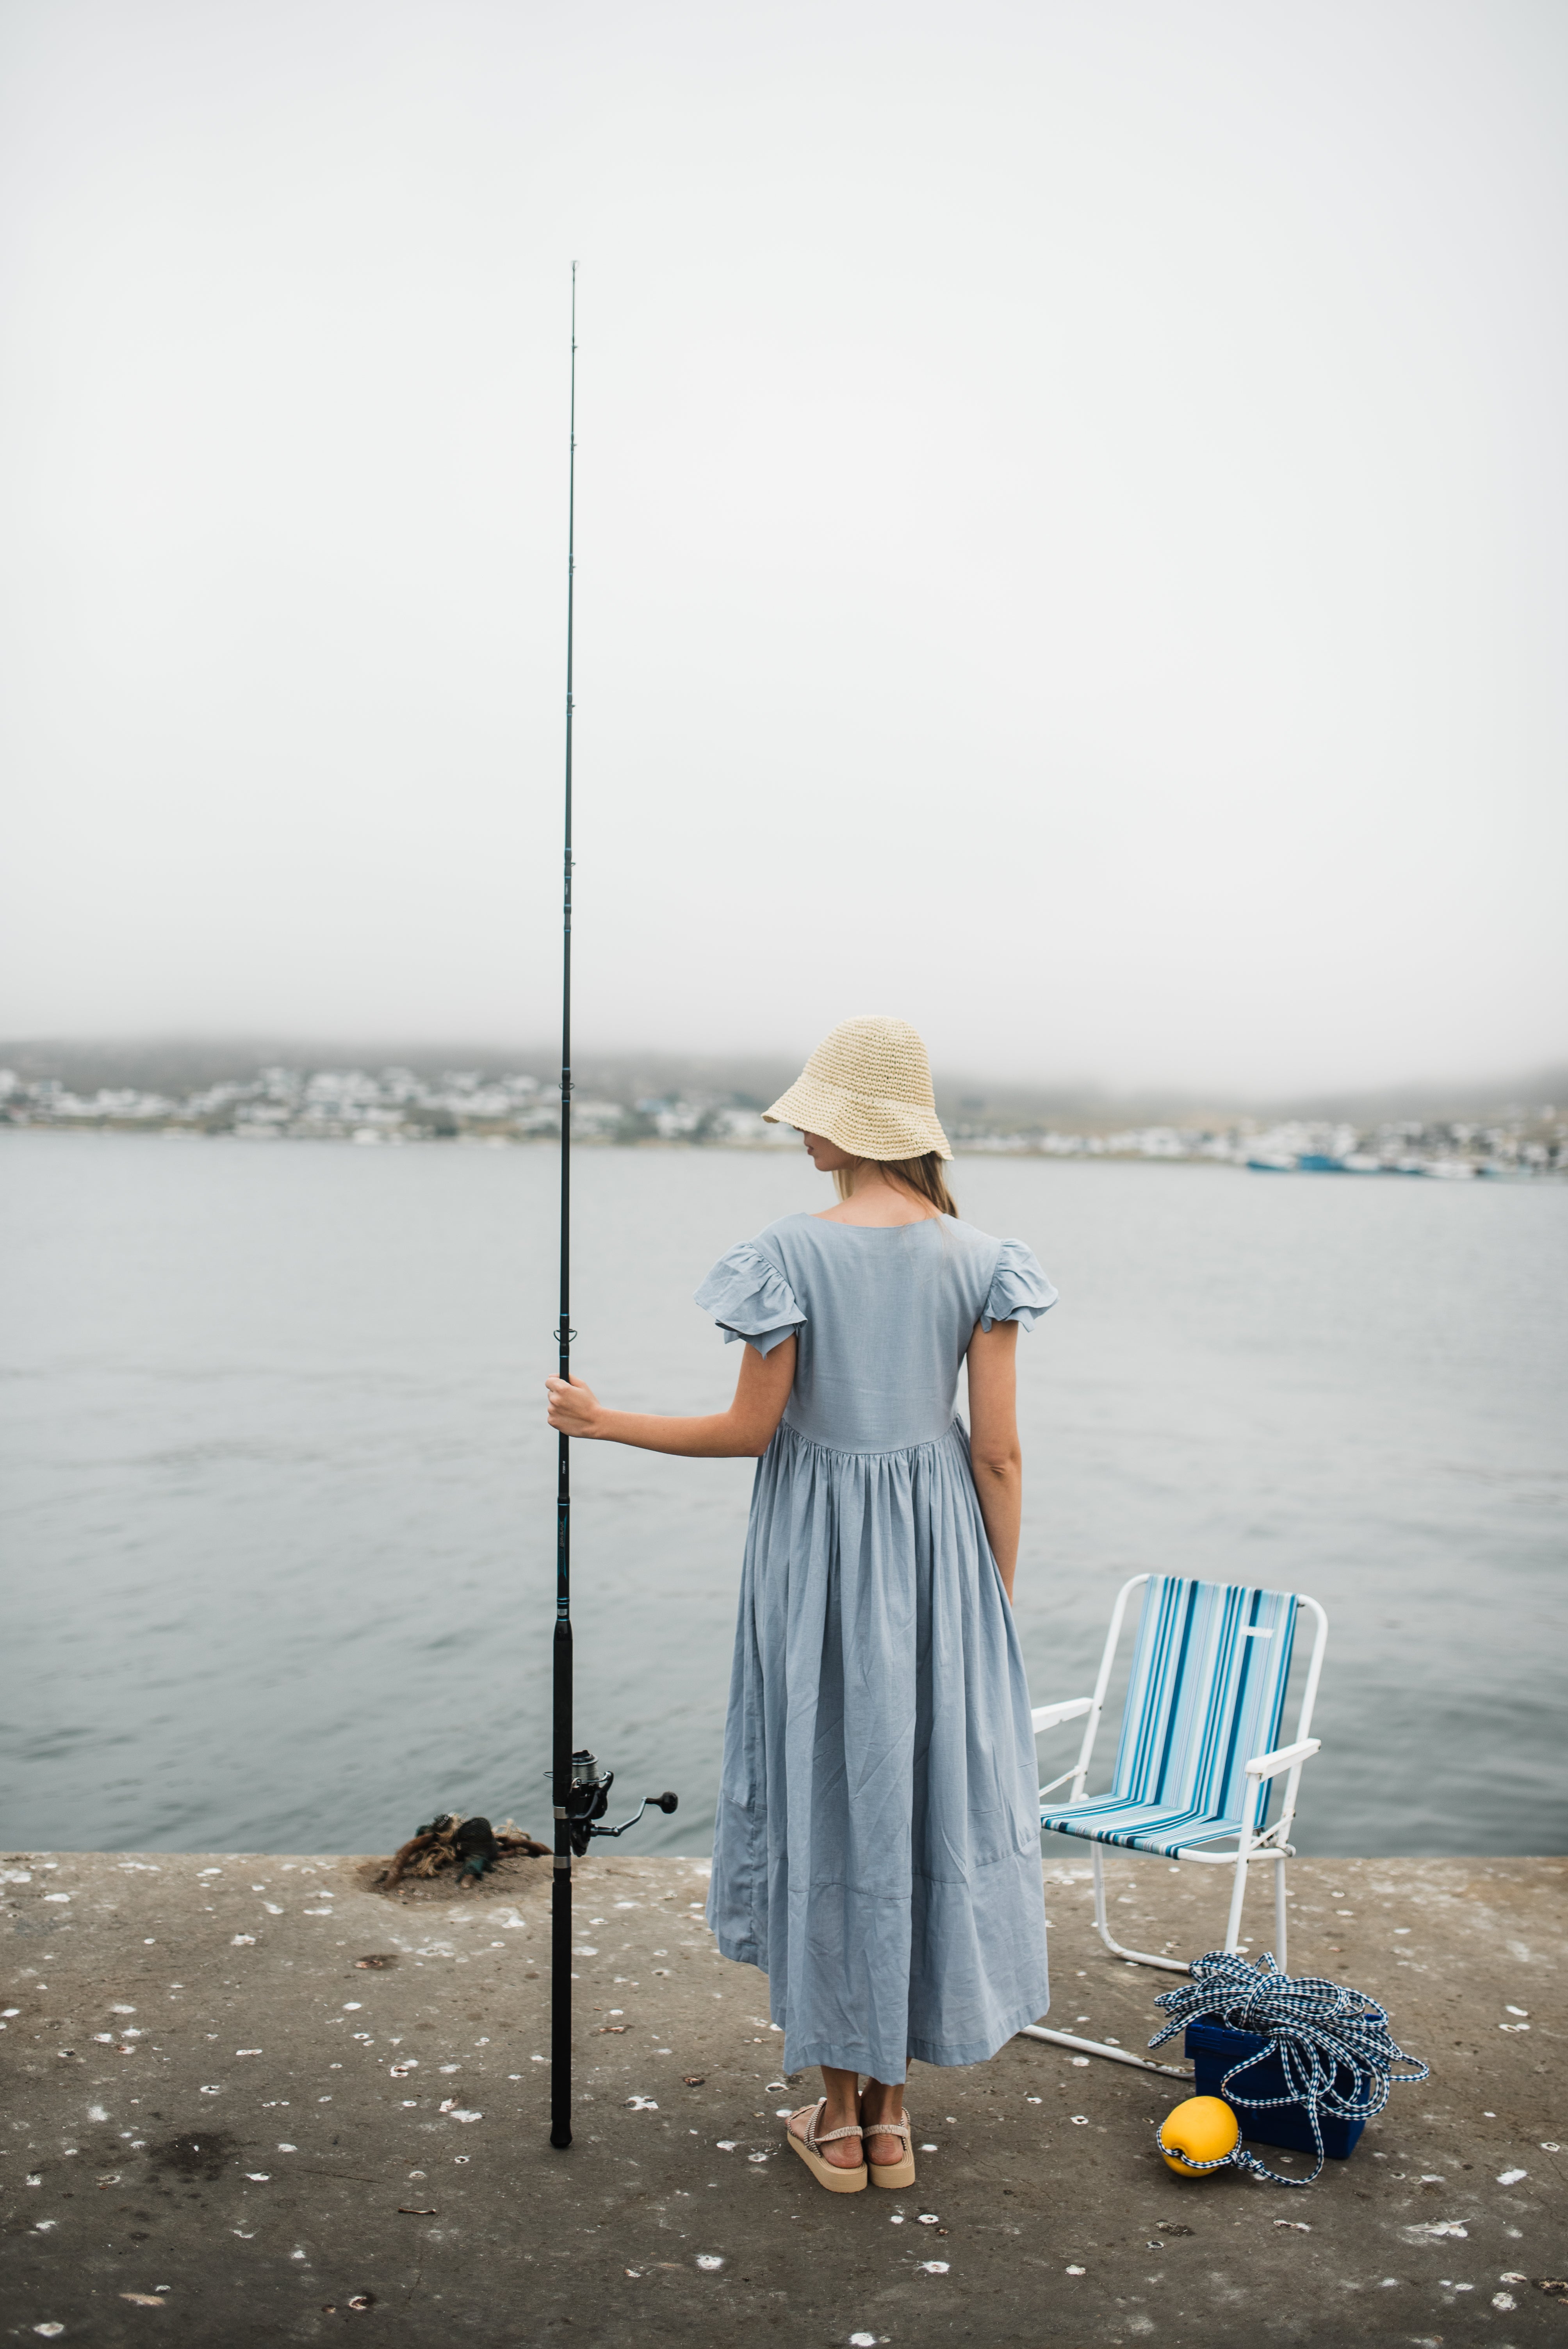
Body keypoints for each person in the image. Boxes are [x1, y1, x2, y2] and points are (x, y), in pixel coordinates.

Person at [545, 1016, 1055, 2194]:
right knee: (919, 1799)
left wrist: (599, 1418)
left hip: (816, 1562)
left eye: (813, 1111)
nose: (799, 1130)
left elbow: (749, 1433)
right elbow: (1001, 1457)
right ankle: (891, 2121)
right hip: (942, 1566)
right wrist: (992, 1604)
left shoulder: (786, 1253)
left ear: (849, 1124)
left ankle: (833, 2118)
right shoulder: (985, 1261)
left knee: (832, 1794)